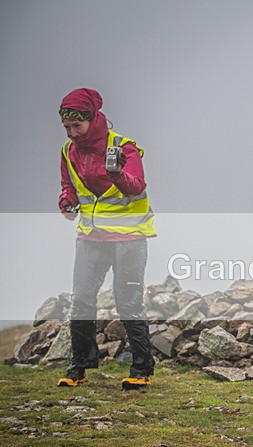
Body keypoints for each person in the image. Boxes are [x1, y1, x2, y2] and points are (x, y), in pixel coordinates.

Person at [56, 88, 156, 390]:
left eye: (78, 126)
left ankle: (142, 369)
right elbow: (67, 186)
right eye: (67, 128)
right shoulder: (67, 151)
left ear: (93, 118)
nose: (73, 133)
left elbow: (136, 187)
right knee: (82, 300)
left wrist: (117, 175)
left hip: (129, 238)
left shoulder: (124, 147)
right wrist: (66, 201)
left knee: (128, 302)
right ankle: (79, 368)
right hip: (90, 237)